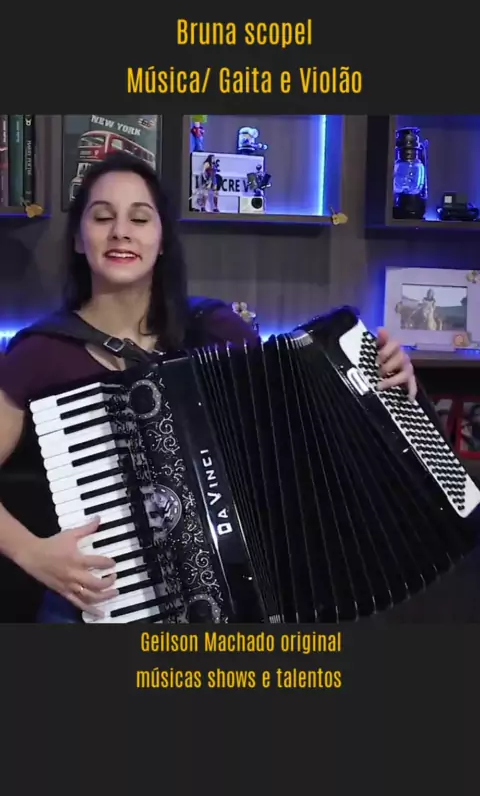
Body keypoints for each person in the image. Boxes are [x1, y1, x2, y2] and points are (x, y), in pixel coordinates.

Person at [0, 152, 418, 623]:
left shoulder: (216, 330)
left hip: (240, 598)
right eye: (102, 218)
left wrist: (385, 380)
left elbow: (301, 422)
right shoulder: (42, 351)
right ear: (79, 239)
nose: (121, 232)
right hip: (98, 602)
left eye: (140, 218)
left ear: (162, 240)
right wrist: (32, 553)